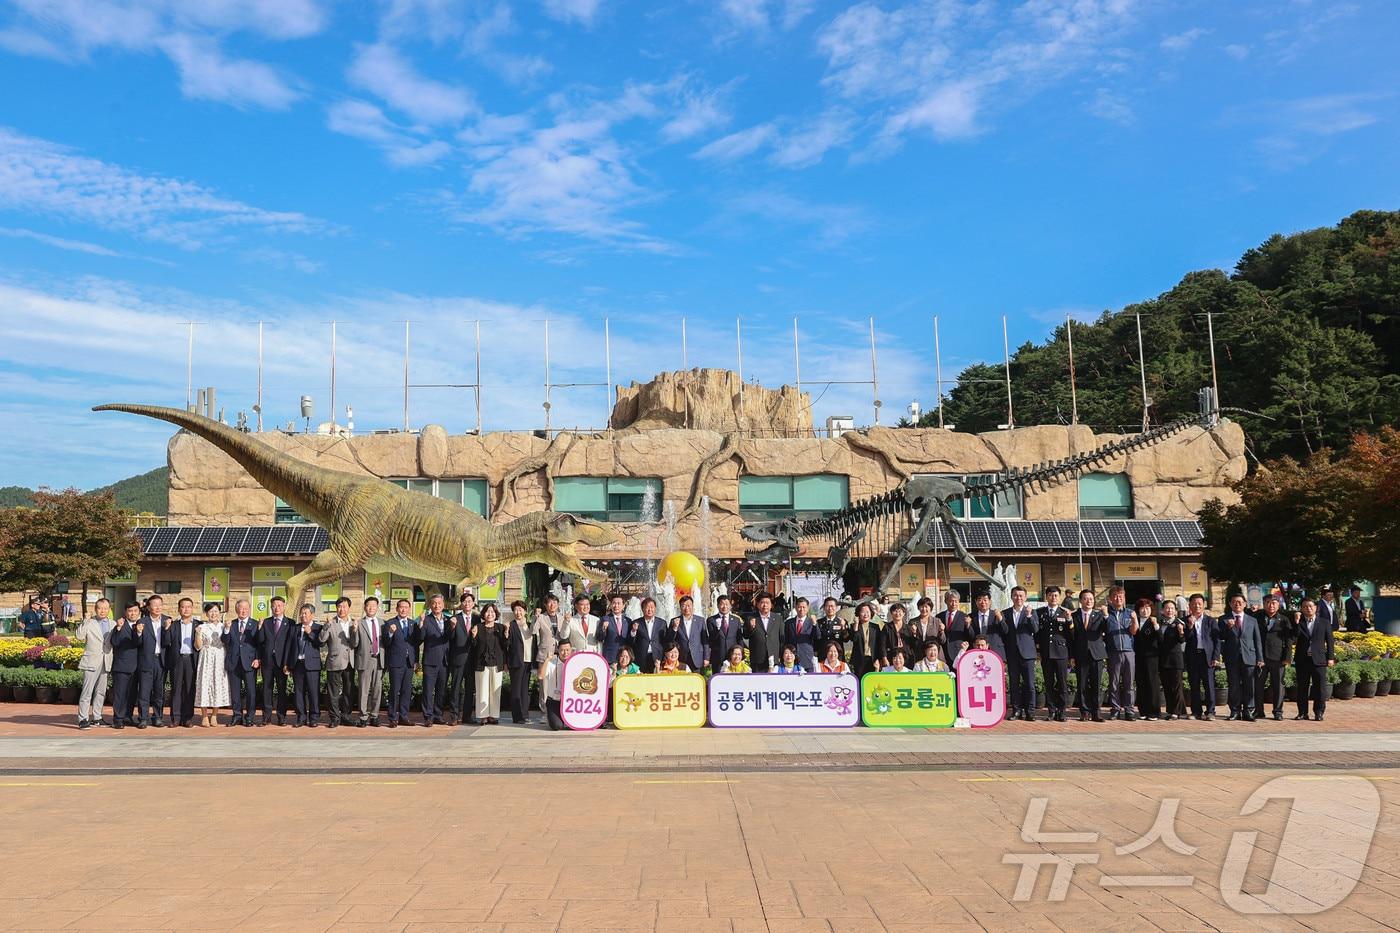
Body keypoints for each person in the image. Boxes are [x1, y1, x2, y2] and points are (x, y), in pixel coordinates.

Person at [1219, 594, 1263, 722]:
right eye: (1234, 602)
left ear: (1244, 604)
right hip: (1232, 657)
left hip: (1249, 657)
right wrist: (1228, 628)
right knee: (1233, 685)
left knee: (1250, 685)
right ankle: (1235, 711)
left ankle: (1248, 711)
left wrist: (1260, 658)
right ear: (1230, 604)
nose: (1237, 604)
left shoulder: (1252, 620)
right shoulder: (1223, 619)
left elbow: (1257, 640)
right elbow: (1220, 637)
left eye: (1239, 602)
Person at [161, 597, 201, 728]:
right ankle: (175, 718)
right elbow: (166, 642)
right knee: (176, 689)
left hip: (192, 660)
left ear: (192, 608)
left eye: (189, 607)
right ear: (179, 609)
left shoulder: (199, 625)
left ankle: (187, 718)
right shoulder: (173, 625)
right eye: (183, 607)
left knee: (190, 689)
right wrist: (167, 629)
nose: (186, 609)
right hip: (177, 660)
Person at [74, 598, 114, 729]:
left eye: (105, 608)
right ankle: (83, 718)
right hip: (91, 661)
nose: (103, 611)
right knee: (87, 692)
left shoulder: (113, 624)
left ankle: (97, 717)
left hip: (106, 661)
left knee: (101, 692)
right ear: (96, 609)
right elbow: (79, 636)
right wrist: (85, 621)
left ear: (109, 609)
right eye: (100, 608)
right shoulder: (90, 622)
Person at [1293, 597, 1335, 721]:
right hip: (1303, 660)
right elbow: (1293, 637)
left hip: (1319, 660)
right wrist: (1296, 623)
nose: (1308, 608)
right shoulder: (1299, 622)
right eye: (1305, 606)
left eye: (1311, 606)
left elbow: (1330, 641)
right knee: (1302, 687)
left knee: (1320, 688)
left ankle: (1319, 712)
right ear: (1301, 609)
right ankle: (1302, 712)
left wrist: (1330, 658)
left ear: (1315, 608)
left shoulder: (1324, 622)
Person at [1255, 593, 1295, 721]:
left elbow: (1289, 640)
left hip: (1278, 658)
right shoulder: (1256, 617)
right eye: (1268, 602)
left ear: (1278, 605)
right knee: (1258, 685)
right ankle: (1258, 711)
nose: (1271, 605)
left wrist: (1287, 658)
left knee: (1278, 686)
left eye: (1274, 603)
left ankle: (1278, 711)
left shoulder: (1284, 619)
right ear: (1263, 604)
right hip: (1260, 657)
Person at [320, 596, 358, 728]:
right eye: (339, 607)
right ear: (336, 608)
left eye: (344, 607)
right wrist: (326, 626)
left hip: (350, 662)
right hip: (334, 661)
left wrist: (355, 630)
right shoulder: (331, 622)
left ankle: (346, 716)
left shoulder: (354, 623)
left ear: (349, 608)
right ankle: (334, 718)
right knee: (333, 692)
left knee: (349, 691)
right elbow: (322, 640)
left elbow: (355, 643)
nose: (342, 609)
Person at [1069, 589, 1106, 723]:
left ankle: (1096, 713)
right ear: (1080, 601)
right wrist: (1071, 656)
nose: (1088, 601)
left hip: (1096, 654)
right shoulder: (1074, 615)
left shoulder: (1099, 615)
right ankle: (1084, 712)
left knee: (1096, 684)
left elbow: (1106, 629)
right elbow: (1071, 637)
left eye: (1091, 598)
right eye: (1085, 598)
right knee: (1082, 684)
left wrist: (1106, 616)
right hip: (1080, 654)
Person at [256, 596, 293, 727]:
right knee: (267, 689)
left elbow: (290, 644)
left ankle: (281, 717)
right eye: (274, 606)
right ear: (271, 607)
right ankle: (266, 717)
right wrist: (260, 628)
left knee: (282, 690)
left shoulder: (290, 623)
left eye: (279, 605)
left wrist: (288, 663)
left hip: (282, 662)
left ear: (284, 606)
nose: (276, 608)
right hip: (267, 662)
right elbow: (260, 641)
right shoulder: (266, 622)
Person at [415, 594, 451, 727]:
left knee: (441, 690)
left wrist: (453, 627)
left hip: (445, 661)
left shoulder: (448, 620)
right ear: (430, 605)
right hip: (430, 661)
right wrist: (421, 624)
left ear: (443, 605)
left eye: (439, 603)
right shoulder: (426, 619)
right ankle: (428, 716)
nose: (437, 605)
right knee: (428, 690)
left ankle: (438, 715)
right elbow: (420, 638)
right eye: (434, 603)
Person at [1002, 587, 1038, 721]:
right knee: (1014, 684)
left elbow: (1035, 629)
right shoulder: (1005, 613)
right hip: (1012, 653)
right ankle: (1016, 710)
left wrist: (1029, 616)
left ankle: (1030, 711)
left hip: (1027, 654)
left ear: (1025, 597)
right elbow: (1004, 632)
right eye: (1016, 595)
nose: (1018, 598)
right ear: (1012, 597)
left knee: (1029, 684)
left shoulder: (1031, 612)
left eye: (1021, 595)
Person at [1102, 586, 1138, 721]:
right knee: (1114, 682)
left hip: (1129, 651)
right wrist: (1105, 616)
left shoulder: (1129, 613)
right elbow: (1103, 630)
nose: (1118, 598)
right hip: (1113, 652)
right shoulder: (1106, 613)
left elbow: (1134, 631)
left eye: (1121, 596)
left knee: (1129, 682)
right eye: (1115, 596)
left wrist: (1134, 620)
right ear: (1110, 598)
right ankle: (1115, 709)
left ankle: (1129, 710)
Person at [1183, 593, 1220, 720]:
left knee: (1209, 685)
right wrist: (1190, 626)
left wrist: (1215, 657)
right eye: (1194, 604)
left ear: (1203, 605)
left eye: (1199, 603)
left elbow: (1216, 640)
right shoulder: (1185, 620)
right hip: (1193, 656)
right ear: (1189, 605)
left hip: (1207, 656)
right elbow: (1184, 638)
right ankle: (1196, 711)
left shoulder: (1211, 621)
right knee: (1194, 685)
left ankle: (1210, 711)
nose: (1197, 606)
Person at [1037, 586, 1072, 722]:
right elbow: (1037, 634)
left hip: (1061, 653)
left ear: (1060, 597)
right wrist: (1038, 651)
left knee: (1062, 683)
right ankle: (1051, 711)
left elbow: (1070, 634)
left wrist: (1069, 620)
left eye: (1056, 595)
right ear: (1046, 597)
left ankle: (1062, 711)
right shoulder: (1040, 612)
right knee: (1049, 683)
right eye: (1051, 595)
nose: (1053, 598)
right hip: (1046, 653)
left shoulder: (1064, 612)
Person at [222, 599, 259, 727]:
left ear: (249, 609)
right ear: (237, 610)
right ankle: (237, 716)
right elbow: (225, 641)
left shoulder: (255, 624)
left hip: (249, 663)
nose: (243, 611)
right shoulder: (230, 624)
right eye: (241, 608)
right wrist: (226, 629)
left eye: (246, 608)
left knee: (251, 692)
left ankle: (249, 717)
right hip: (234, 662)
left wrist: (257, 658)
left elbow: (260, 644)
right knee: (235, 692)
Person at [192, 602, 229, 727]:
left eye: (216, 611)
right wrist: (197, 634)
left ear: (219, 612)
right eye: (211, 611)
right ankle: (204, 716)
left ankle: (214, 715)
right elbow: (198, 647)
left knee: (218, 684)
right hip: (206, 658)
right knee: (205, 684)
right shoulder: (202, 627)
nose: (213, 614)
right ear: (206, 613)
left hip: (220, 658)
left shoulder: (224, 627)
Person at [471, 603, 508, 725]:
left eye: (492, 612)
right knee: (482, 690)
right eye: (487, 612)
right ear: (483, 614)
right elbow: (473, 646)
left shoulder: (501, 628)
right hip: (481, 663)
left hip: (497, 663)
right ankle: (483, 716)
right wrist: (473, 636)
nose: (490, 614)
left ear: (496, 614)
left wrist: (506, 635)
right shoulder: (478, 627)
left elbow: (505, 646)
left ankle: (494, 715)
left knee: (495, 691)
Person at [137, 595, 171, 727]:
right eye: (154, 605)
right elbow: (137, 643)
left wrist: (167, 629)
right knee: (144, 691)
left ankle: (157, 717)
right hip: (146, 660)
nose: (158, 607)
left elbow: (168, 642)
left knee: (159, 692)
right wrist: (138, 633)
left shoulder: (167, 620)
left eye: (160, 605)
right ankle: (143, 718)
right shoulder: (142, 621)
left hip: (161, 661)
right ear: (148, 607)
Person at [383, 599, 416, 728]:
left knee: (406, 691)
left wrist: (416, 660)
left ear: (409, 609)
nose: (403, 609)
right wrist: (390, 633)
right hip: (396, 662)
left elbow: (415, 644)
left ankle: (404, 716)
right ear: (397, 609)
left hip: (409, 662)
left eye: (406, 607)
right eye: (401, 607)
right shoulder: (390, 623)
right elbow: (386, 642)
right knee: (394, 690)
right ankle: (392, 718)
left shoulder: (413, 624)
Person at [447, 592, 479, 724]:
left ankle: (467, 716)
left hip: (472, 660)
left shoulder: (477, 619)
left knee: (470, 689)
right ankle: (454, 716)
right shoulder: (454, 619)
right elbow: (449, 638)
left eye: (469, 601)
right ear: (461, 604)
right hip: (458, 659)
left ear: (473, 603)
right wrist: (452, 627)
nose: (467, 604)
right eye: (465, 601)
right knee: (455, 688)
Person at [289, 604, 323, 727]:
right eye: (301, 613)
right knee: (299, 692)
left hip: (312, 664)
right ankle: (301, 717)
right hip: (297, 664)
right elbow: (289, 646)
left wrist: (310, 633)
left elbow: (321, 643)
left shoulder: (318, 628)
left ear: (312, 615)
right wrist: (287, 663)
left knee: (313, 692)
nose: (303, 615)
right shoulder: (295, 628)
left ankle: (314, 718)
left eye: (305, 613)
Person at [506, 600, 538, 725]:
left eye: (520, 610)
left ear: (525, 611)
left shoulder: (530, 625)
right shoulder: (511, 626)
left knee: (525, 689)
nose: (518, 612)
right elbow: (506, 644)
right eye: (515, 610)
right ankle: (517, 716)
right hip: (516, 661)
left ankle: (525, 715)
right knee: (516, 690)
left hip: (528, 661)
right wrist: (506, 632)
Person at [354, 597, 385, 727]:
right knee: (364, 690)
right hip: (365, 660)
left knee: (377, 689)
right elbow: (354, 643)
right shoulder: (359, 623)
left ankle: (375, 716)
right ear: (365, 607)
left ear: (377, 607)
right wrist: (354, 630)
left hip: (379, 660)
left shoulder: (383, 623)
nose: (371, 608)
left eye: (374, 605)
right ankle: (363, 717)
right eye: (369, 605)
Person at [109, 603, 141, 729]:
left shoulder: (141, 625)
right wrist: (118, 628)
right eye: (130, 611)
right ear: (125, 612)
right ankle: (118, 719)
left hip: (137, 666)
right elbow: (114, 642)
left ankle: (128, 717)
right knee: (120, 694)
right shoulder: (120, 625)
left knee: (132, 694)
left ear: (139, 612)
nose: (132, 613)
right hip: (122, 666)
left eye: (135, 611)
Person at [1158, 600, 1187, 720]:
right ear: (1162, 610)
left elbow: (1182, 640)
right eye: (1167, 608)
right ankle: (1171, 710)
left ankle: (1176, 712)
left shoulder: (1179, 623)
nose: (1169, 610)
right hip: (1163, 660)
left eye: (1172, 608)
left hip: (1175, 660)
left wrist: (1181, 631)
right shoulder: (1160, 623)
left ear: (1175, 611)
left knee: (1176, 687)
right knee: (1167, 686)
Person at [1132, 599, 1161, 721]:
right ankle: (1143, 710)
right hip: (1138, 657)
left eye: (1147, 608)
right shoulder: (1134, 621)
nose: (1145, 611)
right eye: (1142, 608)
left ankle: (1154, 711)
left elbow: (1160, 639)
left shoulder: (1154, 622)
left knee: (1152, 683)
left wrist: (1156, 626)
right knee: (1141, 682)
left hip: (1151, 658)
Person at [665, 595, 706, 673]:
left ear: (692, 606)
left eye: (689, 605)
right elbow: (670, 640)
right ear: (680, 607)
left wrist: (706, 658)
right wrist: (675, 628)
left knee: (697, 679)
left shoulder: (700, 621)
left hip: (697, 658)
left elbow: (705, 640)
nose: (686, 608)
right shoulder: (674, 621)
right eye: (683, 606)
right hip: (681, 658)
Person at [743, 593, 783, 672]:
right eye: (762, 602)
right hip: (757, 658)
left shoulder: (778, 618)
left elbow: (781, 638)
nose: (765, 605)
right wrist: (751, 627)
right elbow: (745, 635)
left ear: (771, 605)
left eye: (767, 603)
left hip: (773, 658)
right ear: (757, 605)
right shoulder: (750, 618)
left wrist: (780, 655)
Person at [706, 594, 742, 675]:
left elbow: (739, 638)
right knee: (718, 678)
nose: (724, 606)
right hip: (718, 657)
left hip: (733, 657)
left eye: (727, 604)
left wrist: (741, 654)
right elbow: (712, 638)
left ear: (730, 606)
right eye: (722, 604)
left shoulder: (736, 620)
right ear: (718, 605)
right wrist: (718, 628)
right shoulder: (711, 620)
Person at [906, 597, 947, 669]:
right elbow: (910, 642)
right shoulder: (912, 622)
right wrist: (914, 633)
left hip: (934, 655)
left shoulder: (937, 621)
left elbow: (943, 641)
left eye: (926, 606)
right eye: (921, 607)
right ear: (918, 608)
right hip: (919, 655)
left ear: (930, 608)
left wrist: (942, 631)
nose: (924, 609)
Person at [629, 597, 666, 675]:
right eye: (647, 607)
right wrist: (633, 631)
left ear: (655, 608)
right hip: (641, 656)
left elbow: (665, 640)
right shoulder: (636, 622)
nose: (650, 609)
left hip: (657, 656)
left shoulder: (662, 623)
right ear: (642, 609)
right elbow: (631, 642)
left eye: (652, 607)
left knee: (656, 678)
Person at [783, 598, 820, 672]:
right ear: (796, 607)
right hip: (792, 660)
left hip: (807, 659)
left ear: (808, 608)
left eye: (804, 607)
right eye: (799, 607)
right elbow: (786, 640)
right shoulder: (789, 623)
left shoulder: (812, 622)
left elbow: (817, 636)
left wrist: (814, 624)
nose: (801, 609)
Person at [542, 642, 572, 730]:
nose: (565, 653)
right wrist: (547, 660)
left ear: (571, 650)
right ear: (558, 650)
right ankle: (551, 717)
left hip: (570, 702)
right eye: (562, 650)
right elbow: (541, 676)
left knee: (575, 725)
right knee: (557, 726)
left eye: (567, 650)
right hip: (554, 700)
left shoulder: (575, 663)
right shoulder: (551, 663)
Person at [967, 592, 1004, 660]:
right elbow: (971, 636)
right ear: (976, 602)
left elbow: (1005, 631)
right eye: (980, 600)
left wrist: (1000, 618)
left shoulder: (997, 615)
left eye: (985, 600)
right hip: (978, 653)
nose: (983, 602)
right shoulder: (971, 616)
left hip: (995, 651)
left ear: (990, 602)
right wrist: (968, 626)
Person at [879, 603, 914, 673]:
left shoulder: (908, 628)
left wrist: (915, 633)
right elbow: (882, 644)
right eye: (895, 611)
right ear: (891, 613)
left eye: (900, 611)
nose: (897, 613)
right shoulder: (887, 627)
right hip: (892, 657)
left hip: (906, 657)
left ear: (904, 613)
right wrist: (884, 658)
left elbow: (913, 644)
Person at [939, 590, 971, 664]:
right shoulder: (939, 617)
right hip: (942, 653)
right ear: (945, 601)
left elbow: (970, 636)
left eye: (956, 601)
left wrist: (968, 626)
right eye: (951, 601)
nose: (954, 604)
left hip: (958, 653)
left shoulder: (964, 617)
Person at [599, 595, 631, 665]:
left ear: (623, 606)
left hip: (624, 657)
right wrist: (603, 629)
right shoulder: (605, 619)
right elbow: (600, 638)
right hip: (610, 656)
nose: (616, 606)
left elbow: (630, 639)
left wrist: (634, 632)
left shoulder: (628, 621)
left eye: (618, 603)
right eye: (614, 603)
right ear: (610, 605)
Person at [849, 602, 879, 677]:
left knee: (872, 680)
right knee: (860, 680)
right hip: (859, 660)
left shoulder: (875, 627)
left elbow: (879, 644)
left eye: (867, 612)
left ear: (871, 613)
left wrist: (879, 659)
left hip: (872, 659)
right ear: (858, 614)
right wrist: (856, 625)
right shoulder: (854, 626)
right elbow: (854, 639)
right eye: (863, 612)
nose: (865, 614)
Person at [815, 596, 848, 661]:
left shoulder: (842, 621)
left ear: (836, 607)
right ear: (824, 608)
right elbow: (816, 640)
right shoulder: (819, 622)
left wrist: (843, 628)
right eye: (827, 606)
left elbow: (846, 639)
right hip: (823, 656)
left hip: (837, 655)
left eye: (832, 606)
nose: (830, 608)